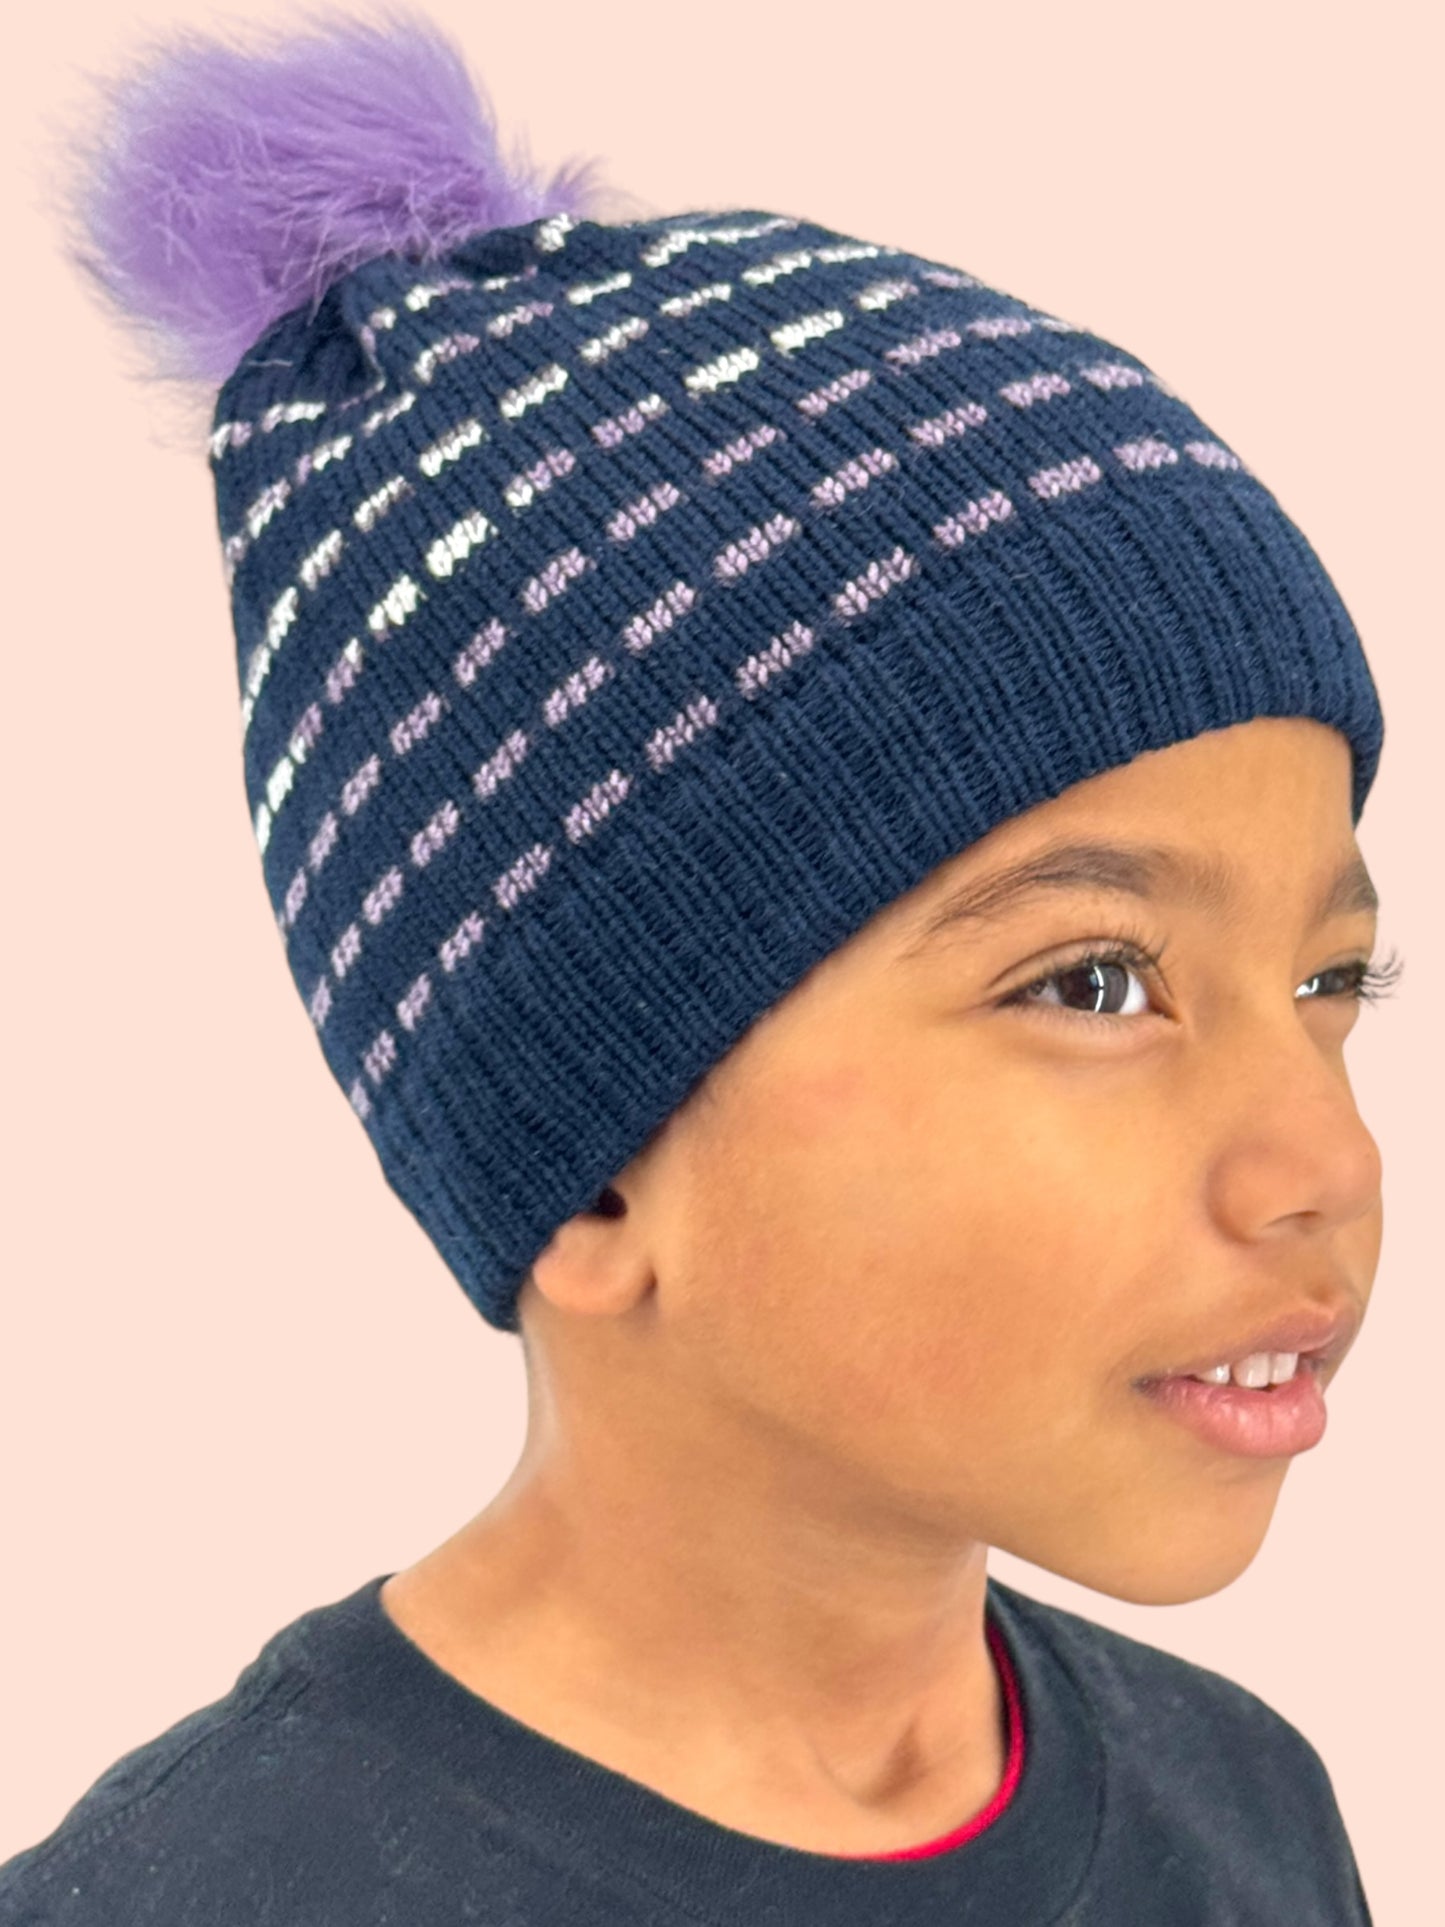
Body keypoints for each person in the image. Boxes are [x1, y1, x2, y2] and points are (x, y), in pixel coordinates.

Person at [1, 9, 1393, 1920]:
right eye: (1092, 984)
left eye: (1329, 985)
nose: (1323, 1162)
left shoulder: (1245, 1807)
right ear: (593, 1165)